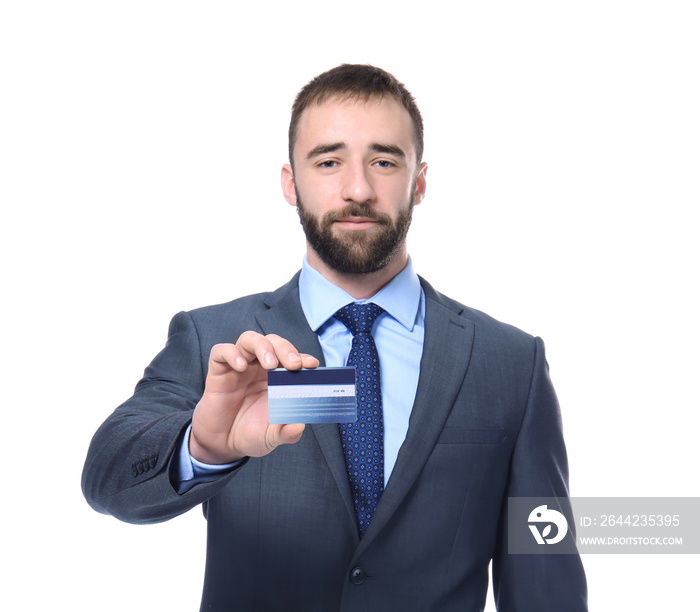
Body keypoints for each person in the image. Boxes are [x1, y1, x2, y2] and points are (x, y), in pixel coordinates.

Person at [82, 64, 587, 611]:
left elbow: (545, 578)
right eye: (329, 161)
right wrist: (202, 447)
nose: (358, 189)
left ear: (419, 181)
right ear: (290, 182)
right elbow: (108, 478)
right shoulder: (217, 341)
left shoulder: (510, 363)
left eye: (384, 161)